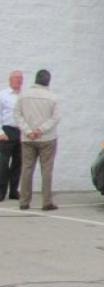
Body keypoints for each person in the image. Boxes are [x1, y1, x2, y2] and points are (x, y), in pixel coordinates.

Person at [15, 69, 60, 211]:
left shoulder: (23, 95)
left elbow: (17, 115)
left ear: (35, 79)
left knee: (27, 169)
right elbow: (55, 118)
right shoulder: (53, 97)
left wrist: (28, 131)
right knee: (47, 170)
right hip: (47, 138)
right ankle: (46, 202)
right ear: (48, 81)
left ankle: (24, 201)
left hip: (27, 138)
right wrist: (41, 130)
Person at [0, 70, 23, 201]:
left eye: (21, 78)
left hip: (21, 131)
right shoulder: (2, 95)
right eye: (16, 78)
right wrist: (0, 133)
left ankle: (14, 191)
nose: (19, 80)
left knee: (18, 163)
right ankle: (1, 191)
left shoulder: (24, 96)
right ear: (10, 80)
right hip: (6, 131)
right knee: (3, 164)